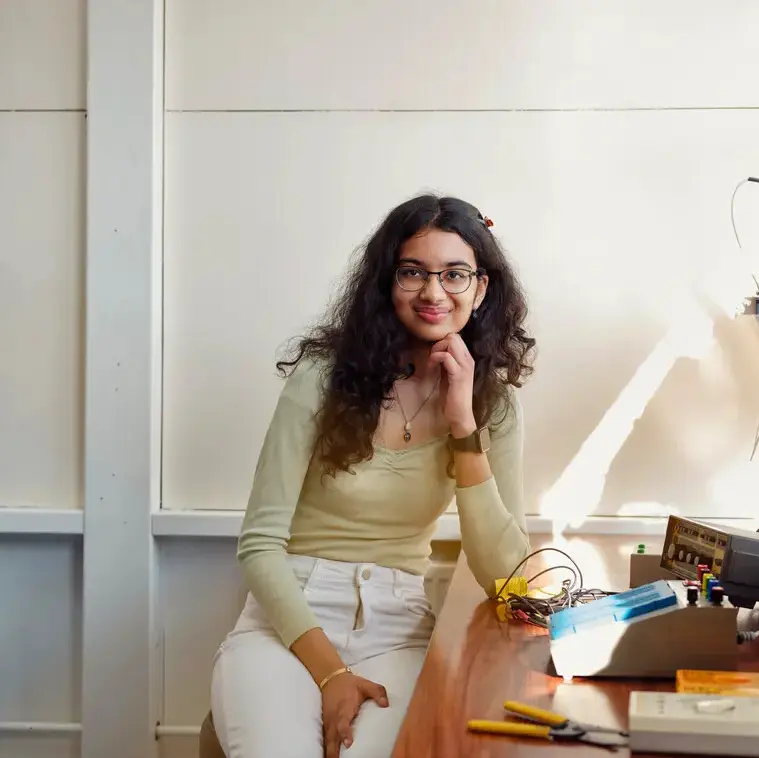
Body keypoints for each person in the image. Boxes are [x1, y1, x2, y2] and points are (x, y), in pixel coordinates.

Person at [210, 194, 536, 758]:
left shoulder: (496, 408)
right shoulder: (321, 378)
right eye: (413, 272)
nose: (434, 293)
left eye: (454, 274)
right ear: (387, 282)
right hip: (287, 625)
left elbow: (507, 578)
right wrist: (332, 675)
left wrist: (464, 423)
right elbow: (260, 544)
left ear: (481, 289)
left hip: (399, 630)